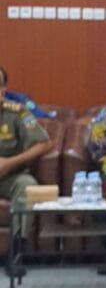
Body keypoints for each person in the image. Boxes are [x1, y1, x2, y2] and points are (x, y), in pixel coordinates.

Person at [0, 66, 51, 276]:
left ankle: (17, 250)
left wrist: (10, 162)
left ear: (3, 89)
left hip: (9, 175)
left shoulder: (17, 112)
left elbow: (44, 144)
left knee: (27, 185)